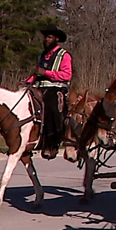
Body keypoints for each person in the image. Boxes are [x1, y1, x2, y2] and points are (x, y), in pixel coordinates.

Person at [25, 25, 73, 160]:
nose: (46, 40)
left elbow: (67, 75)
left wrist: (46, 73)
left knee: (51, 108)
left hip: (55, 89)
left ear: (56, 39)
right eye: (45, 37)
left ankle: (52, 143)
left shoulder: (64, 55)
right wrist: (27, 82)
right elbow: (36, 74)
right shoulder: (41, 55)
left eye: (49, 37)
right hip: (39, 88)